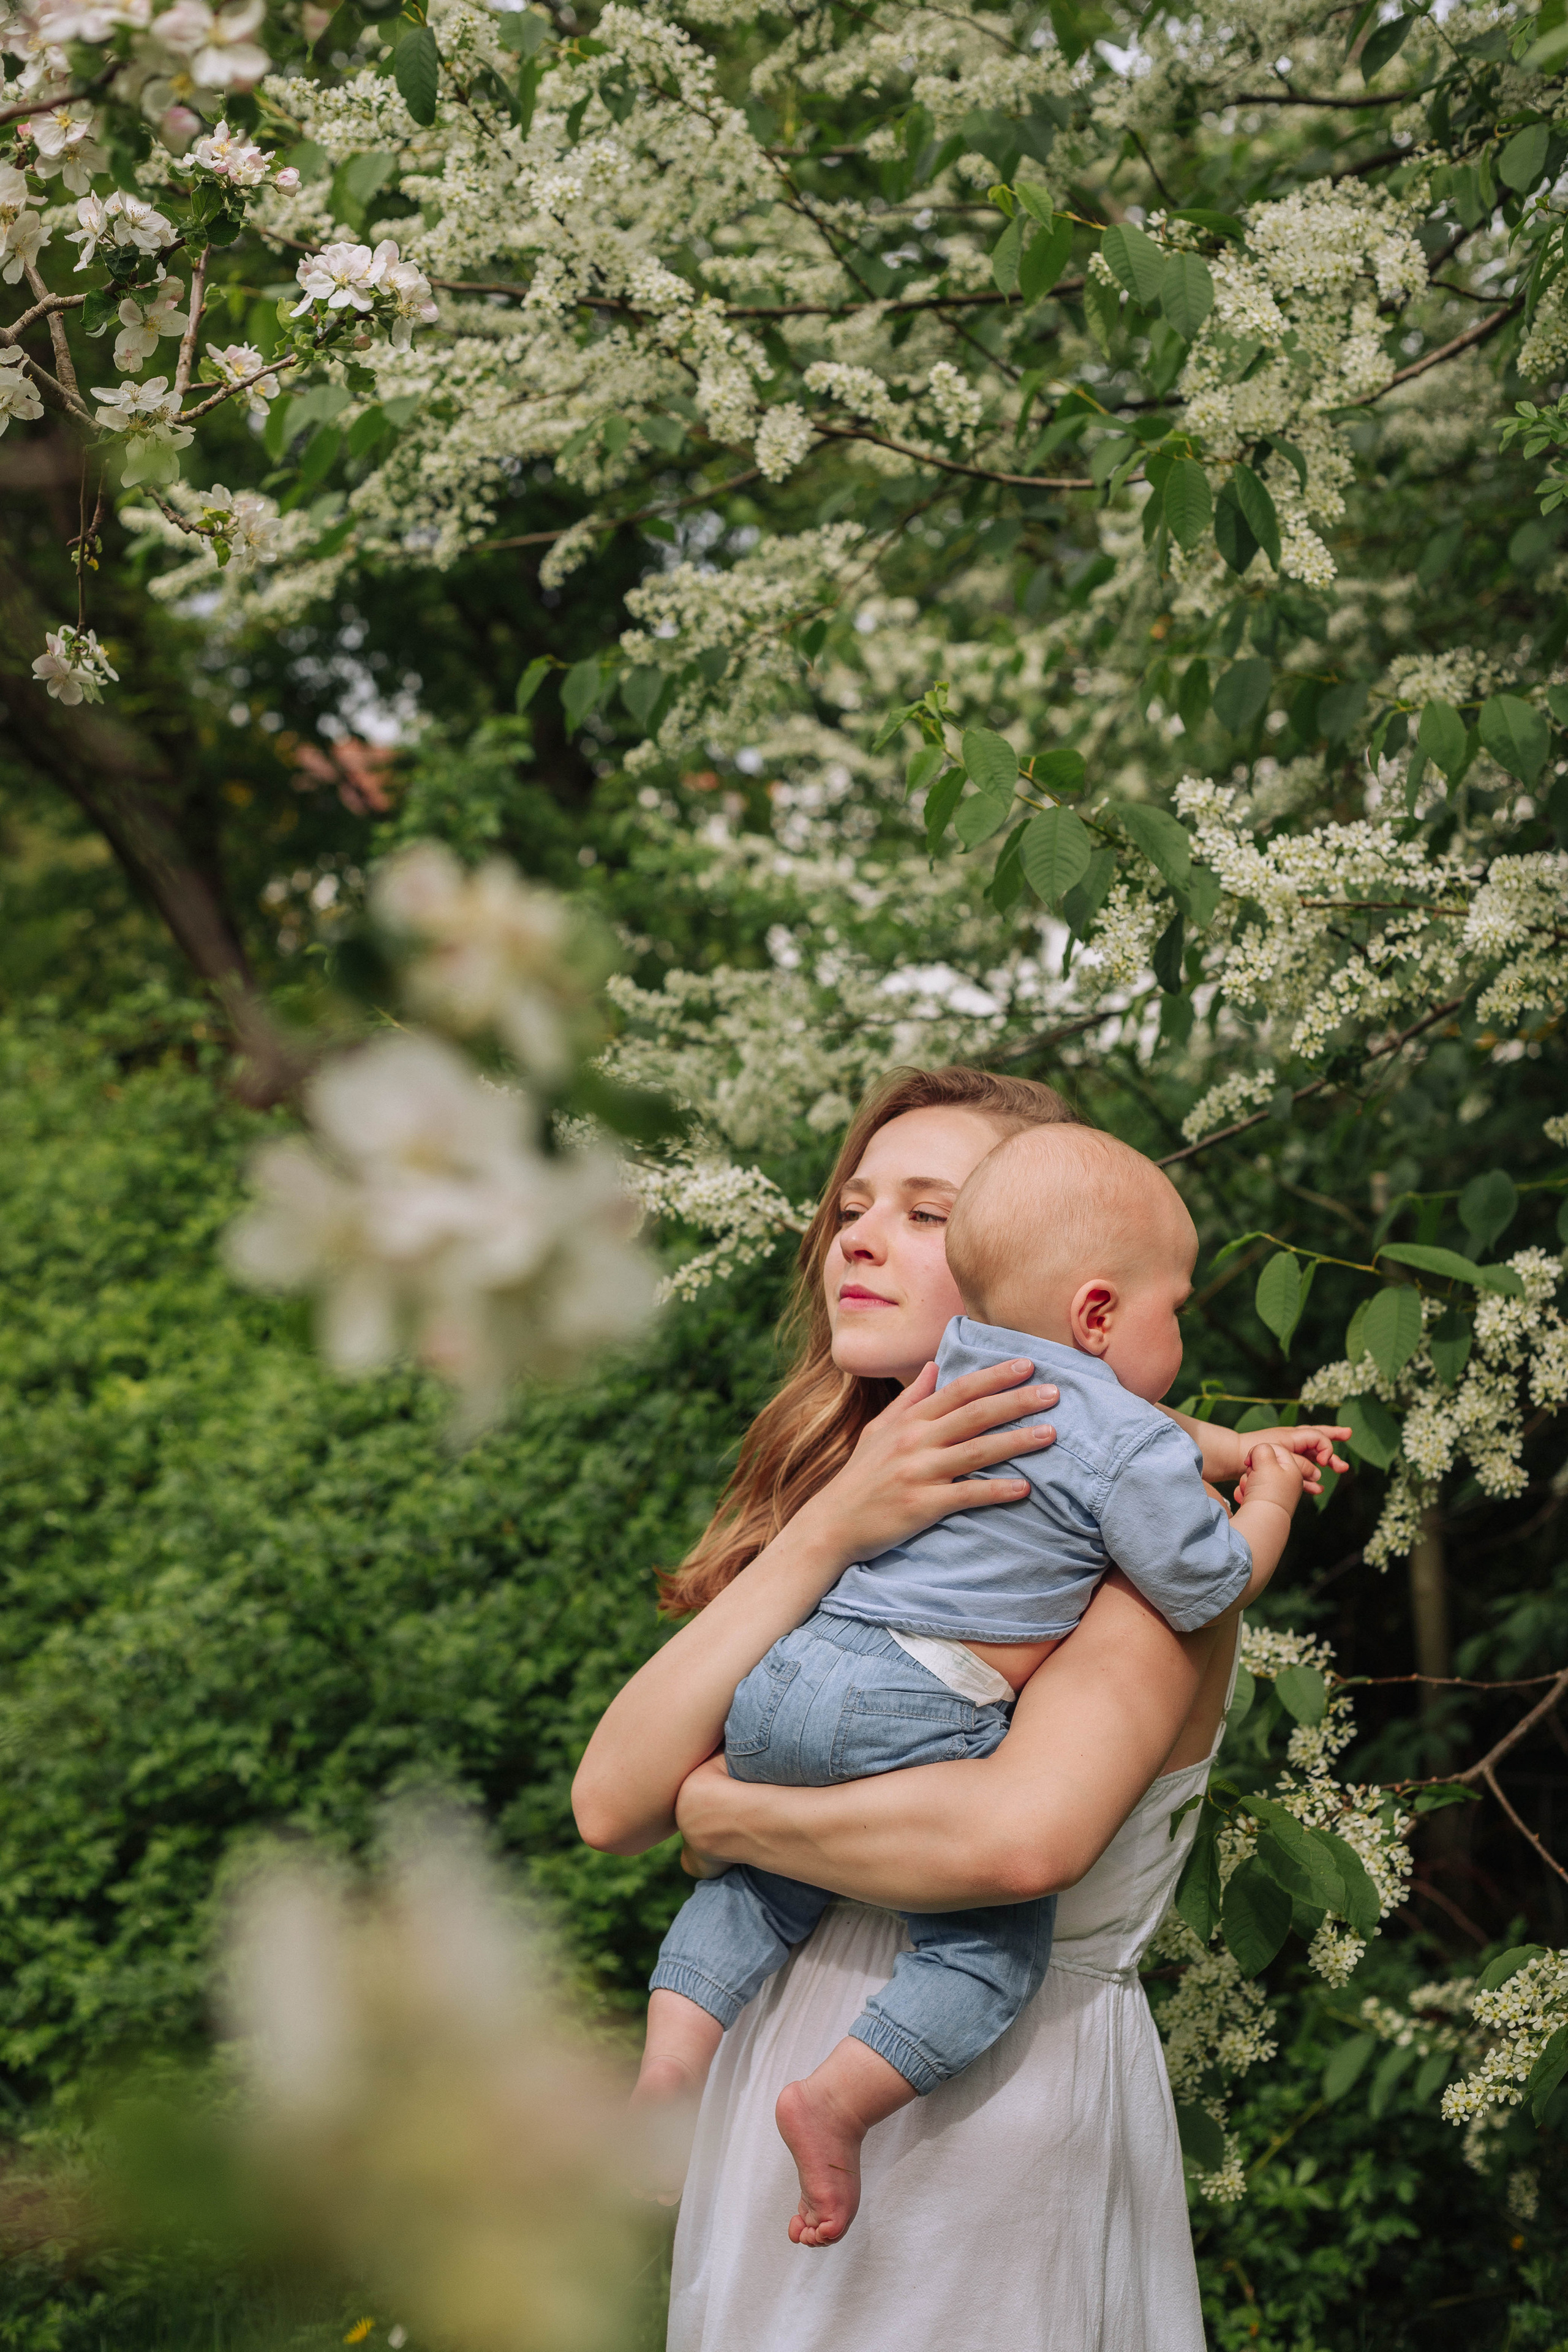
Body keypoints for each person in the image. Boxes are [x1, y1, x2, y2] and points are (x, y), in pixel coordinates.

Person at [572, 1064, 1350, 2352]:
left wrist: (719, 1810)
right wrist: (825, 1529)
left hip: (971, 2119)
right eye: (853, 1207)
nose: (863, 1238)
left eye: (934, 1214)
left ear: (1050, 1282)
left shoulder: (1135, 1554)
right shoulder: (864, 1529)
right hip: (776, 2080)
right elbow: (609, 1802)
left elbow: (1012, 1845)